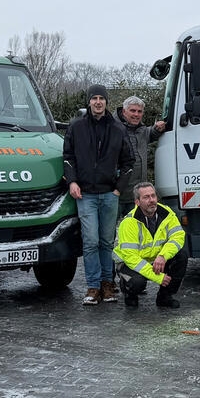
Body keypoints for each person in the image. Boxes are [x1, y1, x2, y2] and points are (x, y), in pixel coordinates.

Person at [63, 83, 134, 306]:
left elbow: (128, 162)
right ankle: (93, 286)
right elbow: (67, 158)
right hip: (85, 195)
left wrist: (118, 189)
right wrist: (72, 181)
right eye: (94, 98)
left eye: (101, 98)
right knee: (91, 241)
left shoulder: (117, 129)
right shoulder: (76, 127)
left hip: (109, 194)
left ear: (106, 102)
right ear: (89, 101)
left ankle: (107, 284)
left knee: (106, 241)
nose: (98, 102)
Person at [113, 181, 188, 309]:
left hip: (156, 258)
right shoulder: (129, 222)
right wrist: (157, 277)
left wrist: (163, 256)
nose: (152, 200)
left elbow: (178, 236)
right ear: (137, 202)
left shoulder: (167, 213)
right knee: (137, 282)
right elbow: (131, 257)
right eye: (146, 197)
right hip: (130, 263)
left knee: (181, 256)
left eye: (153, 196)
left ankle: (165, 297)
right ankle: (129, 293)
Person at [117, 95, 166, 216]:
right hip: (116, 195)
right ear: (124, 111)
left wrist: (157, 129)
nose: (136, 114)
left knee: (136, 230)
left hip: (136, 196)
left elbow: (150, 134)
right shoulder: (113, 129)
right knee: (109, 232)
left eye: (139, 111)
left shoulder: (141, 130)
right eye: (132, 110)